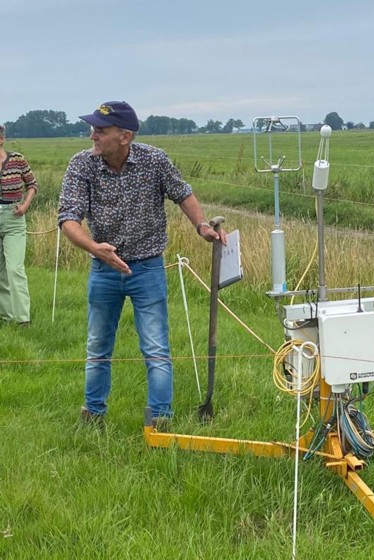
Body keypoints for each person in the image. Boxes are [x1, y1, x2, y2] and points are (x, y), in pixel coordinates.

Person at [58, 101, 225, 426]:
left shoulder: (154, 160)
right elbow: (67, 218)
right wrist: (95, 248)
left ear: (125, 136)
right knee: (97, 346)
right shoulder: (82, 164)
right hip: (103, 269)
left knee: (156, 346)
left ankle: (160, 422)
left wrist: (202, 226)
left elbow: (182, 193)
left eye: (100, 130)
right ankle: (93, 414)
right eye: (93, 129)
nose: (92, 135)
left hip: (148, 269)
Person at [0, 124, 38, 326]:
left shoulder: (16, 159)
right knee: (0, 272)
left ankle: (23, 319)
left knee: (15, 268)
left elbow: (32, 184)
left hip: (14, 218)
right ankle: (6, 317)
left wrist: (25, 205)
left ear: (1, 139)